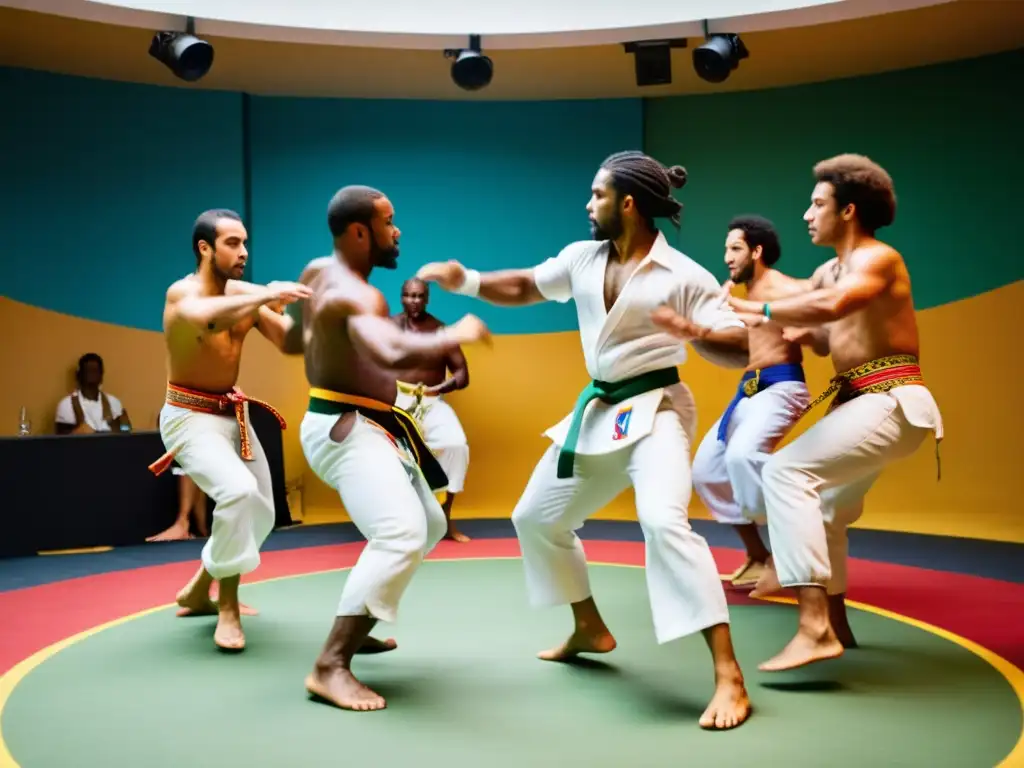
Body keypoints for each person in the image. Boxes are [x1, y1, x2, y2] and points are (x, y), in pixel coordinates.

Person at [419, 151, 753, 730]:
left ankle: (729, 676)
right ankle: (589, 626)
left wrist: (697, 332)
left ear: (627, 203)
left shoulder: (685, 276)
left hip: (658, 412)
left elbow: (741, 345)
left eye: (596, 194)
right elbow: (526, 284)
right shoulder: (581, 258)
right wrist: (467, 280)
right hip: (600, 412)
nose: (587, 204)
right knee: (535, 517)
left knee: (663, 520)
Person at [725, 154, 943, 672]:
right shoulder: (827, 269)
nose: (806, 214)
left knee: (785, 470)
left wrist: (759, 308)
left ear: (847, 211)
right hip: (858, 403)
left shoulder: (878, 258)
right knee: (825, 512)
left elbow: (834, 307)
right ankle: (837, 624)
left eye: (817, 203)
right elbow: (826, 335)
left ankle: (814, 627)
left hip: (891, 401)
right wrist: (796, 332)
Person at [288, 186, 491, 712]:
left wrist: (265, 307)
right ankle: (329, 665)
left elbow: (292, 339)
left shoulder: (316, 272)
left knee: (430, 523)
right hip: (345, 426)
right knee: (401, 531)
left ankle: (362, 617)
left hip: (366, 422)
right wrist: (455, 333)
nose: (397, 231)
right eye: (388, 222)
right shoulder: (363, 296)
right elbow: (392, 350)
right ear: (361, 232)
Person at [147, 208, 312, 651]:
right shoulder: (181, 295)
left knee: (263, 512)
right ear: (205, 248)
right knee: (239, 493)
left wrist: (322, 316)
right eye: (232, 244)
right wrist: (263, 295)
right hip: (187, 417)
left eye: (245, 243)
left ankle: (201, 585)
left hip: (228, 413)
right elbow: (209, 318)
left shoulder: (246, 296)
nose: (243, 252)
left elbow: (290, 344)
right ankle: (228, 606)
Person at [657, 216, 811, 590]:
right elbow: (739, 342)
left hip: (782, 386)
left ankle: (789, 556)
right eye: (726, 248)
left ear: (757, 251)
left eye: (735, 248)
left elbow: (821, 311)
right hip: (749, 391)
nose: (727, 257)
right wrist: (696, 329)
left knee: (744, 457)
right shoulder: (744, 298)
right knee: (707, 471)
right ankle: (758, 555)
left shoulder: (785, 288)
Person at [391, 277, 472, 542]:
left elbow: (462, 373)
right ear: (401, 297)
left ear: (427, 299)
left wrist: (439, 389)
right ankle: (397, 526)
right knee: (391, 456)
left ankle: (445, 517)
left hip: (430, 399)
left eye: (419, 296)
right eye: (408, 295)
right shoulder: (388, 328)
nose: (414, 301)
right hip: (394, 401)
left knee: (456, 445)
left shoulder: (440, 331)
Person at [55, 353, 132, 434]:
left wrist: (125, 425)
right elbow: (61, 441)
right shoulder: (66, 405)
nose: (92, 374)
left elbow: (126, 433)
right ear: (78, 376)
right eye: (88, 371)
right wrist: (76, 432)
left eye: (95, 371)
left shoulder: (114, 403)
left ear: (101, 376)